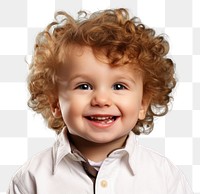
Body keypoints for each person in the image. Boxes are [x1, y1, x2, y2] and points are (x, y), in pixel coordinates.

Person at [8, 8, 193, 194]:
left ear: (143, 103)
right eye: (84, 86)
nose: (101, 100)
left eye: (119, 86)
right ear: (55, 102)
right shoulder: (32, 178)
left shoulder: (164, 176)